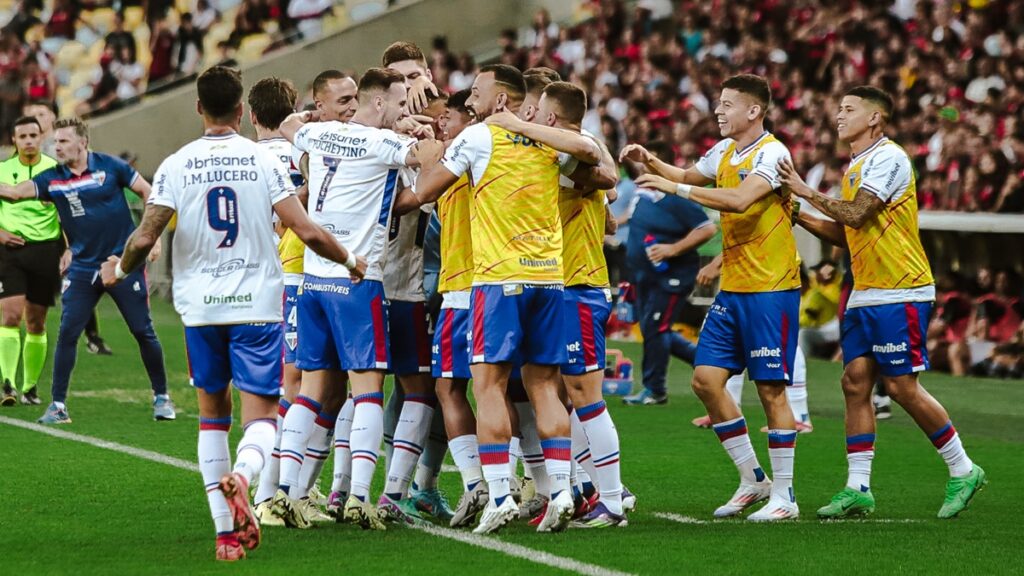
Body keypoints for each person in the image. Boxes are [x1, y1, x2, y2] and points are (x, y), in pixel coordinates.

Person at [99, 65, 364, 562]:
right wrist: (350, 260)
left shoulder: (178, 164)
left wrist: (121, 267)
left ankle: (225, 536)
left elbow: (144, 236)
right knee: (262, 415)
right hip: (258, 306)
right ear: (241, 111)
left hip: (201, 309)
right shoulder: (261, 161)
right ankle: (243, 477)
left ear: (198, 107)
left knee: (211, 418)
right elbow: (305, 231)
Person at [412, 64, 607, 534]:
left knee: (489, 386)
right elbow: (596, 162)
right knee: (544, 385)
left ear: (500, 99)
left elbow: (425, 191)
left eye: (477, 92)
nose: (471, 99)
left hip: (497, 281)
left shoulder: (479, 137)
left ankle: (499, 492)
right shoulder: (547, 140)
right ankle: (560, 490)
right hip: (549, 281)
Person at [779, 85, 986, 520]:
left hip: (901, 288)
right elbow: (846, 233)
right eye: (838, 108)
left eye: (848, 109)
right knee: (855, 382)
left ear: (874, 118)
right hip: (865, 290)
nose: (839, 116)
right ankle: (858, 488)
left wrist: (802, 191)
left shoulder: (888, 158)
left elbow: (857, 214)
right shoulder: (855, 166)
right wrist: (797, 215)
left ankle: (963, 469)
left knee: (900, 387)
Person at [624, 74, 802, 521]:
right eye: (718, 103)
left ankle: (785, 497)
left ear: (753, 111)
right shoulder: (724, 151)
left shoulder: (773, 153)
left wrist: (675, 188)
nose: (718, 111)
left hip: (770, 289)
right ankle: (752, 479)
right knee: (705, 380)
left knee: (770, 390)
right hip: (735, 289)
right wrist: (653, 162)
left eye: (727, 104)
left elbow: (740, 200)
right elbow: (687, 174)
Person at [278, 67, 431, 531]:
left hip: (314, 279)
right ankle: (361, 497)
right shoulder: (382, 144)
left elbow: (289, 126)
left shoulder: (321, 132)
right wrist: (417, 130)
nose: (405, 111)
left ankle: (286, 493)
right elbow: (434, 154)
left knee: (312, 389)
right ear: (380, 104)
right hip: (357, 278)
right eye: (401, 103)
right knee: (367, 389)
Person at [0, 117, 175, 424]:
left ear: (83, 142)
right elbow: (14, 192)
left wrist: (153, 237)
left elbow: (150, 194)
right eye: (55, 142)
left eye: (64, 141)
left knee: (142, 331)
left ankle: (162, 397)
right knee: (67, 332)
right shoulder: (51, 178)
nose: (57, 147)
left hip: (121, 263)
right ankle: (58, 405)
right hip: (81, 267)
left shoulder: (111, 167)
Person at [378, 41, 454, 526]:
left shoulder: (447, 121)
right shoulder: (366, 126)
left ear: (428, 72)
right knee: (359, 388)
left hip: (430, 279)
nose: (409, 85)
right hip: (378, 279)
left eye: (415, 74)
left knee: (437, 386)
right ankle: (376, 489)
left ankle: (420, 486)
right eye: (398, 77)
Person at [616, 140, 716, 406]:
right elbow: (631, 216)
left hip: (671, 275)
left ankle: (655, 389)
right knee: (652, 327)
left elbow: (707, 228)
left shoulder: (677, 196)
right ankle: (710, 363)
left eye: (647, 160)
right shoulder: (644, 190)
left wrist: (673, 249)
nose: (641, 165)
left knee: (656, 327)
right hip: (644, 274)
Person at [0, 116, 58, 406]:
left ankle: (30, 386)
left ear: (41, 136)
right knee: (9, 315)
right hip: (9, 252)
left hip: (45, 250)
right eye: (22, 137)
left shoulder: (55, 171)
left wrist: (69, 250)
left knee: (36, 322)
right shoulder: (2, 170)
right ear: (14, 140)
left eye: (33, 135)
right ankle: (7, 383)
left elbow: (66, 213)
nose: (29, 141)